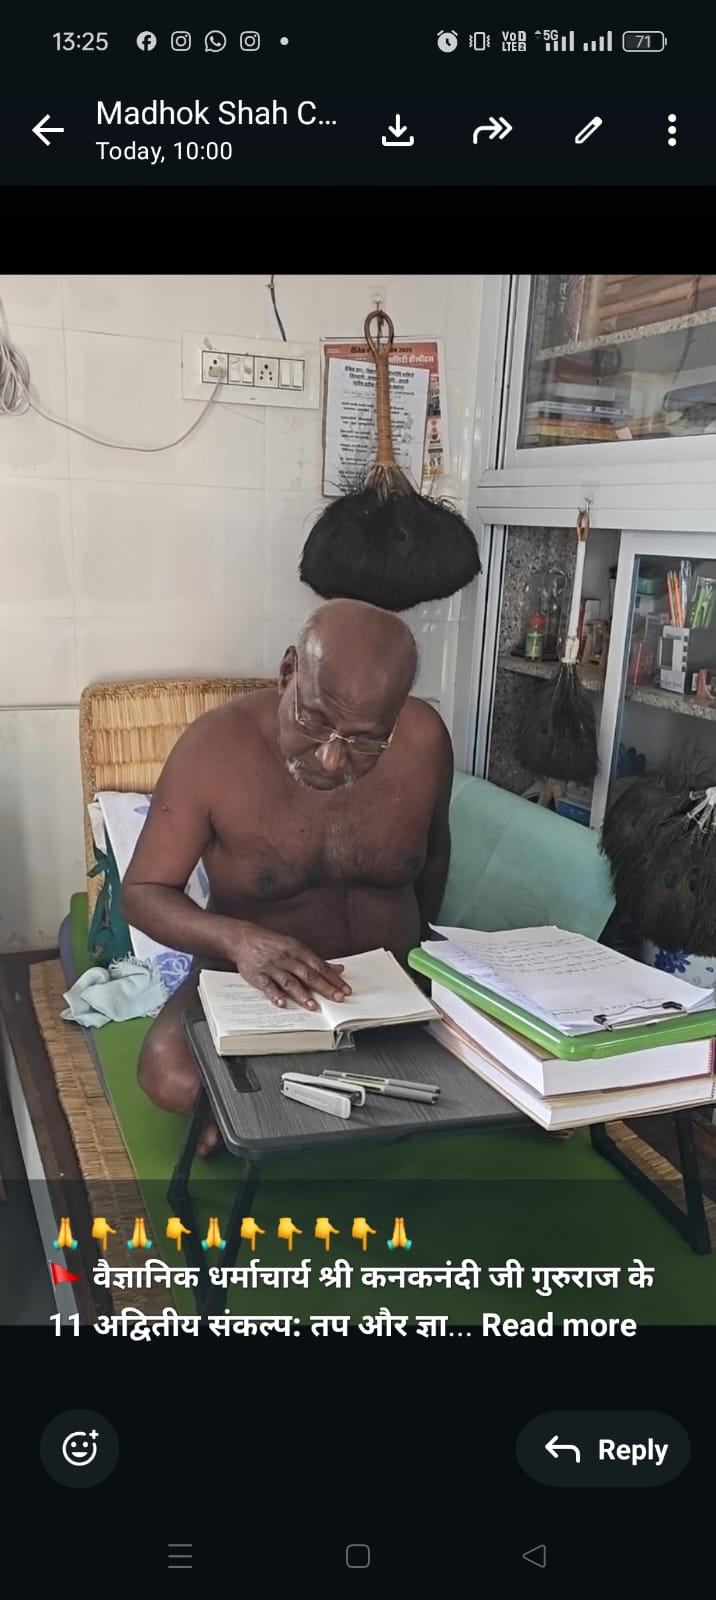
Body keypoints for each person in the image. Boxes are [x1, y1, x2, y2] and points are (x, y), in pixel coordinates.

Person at [122, 598, 454, 1152]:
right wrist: (240, 941)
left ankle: (269, 1114)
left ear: (397, 715)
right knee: (168, 1073)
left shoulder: (425, 740)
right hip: (253, 990)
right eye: (315, 721)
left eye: (365, 741)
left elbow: (435, 857)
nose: (330, 759)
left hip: (391, 987)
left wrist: (422, 961)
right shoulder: (213, 748)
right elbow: (142, 893)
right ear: (288, 672)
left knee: (532, 1063)